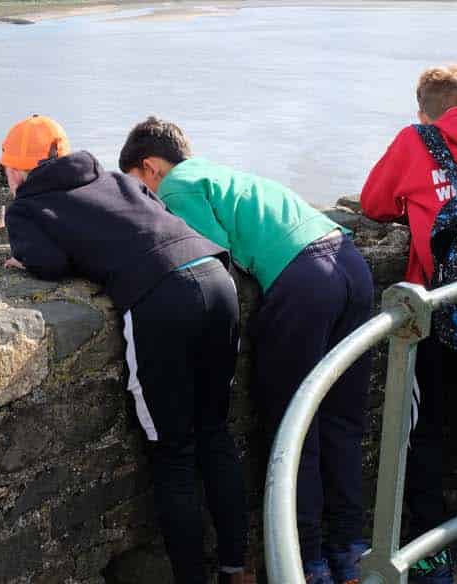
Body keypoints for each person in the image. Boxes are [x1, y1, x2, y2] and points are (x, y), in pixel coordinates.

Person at [0, 115, 253, 584]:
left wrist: (23, 255)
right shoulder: (111, 177)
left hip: (164, 295)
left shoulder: (28, 205)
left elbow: (50, 262)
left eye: (8, 171)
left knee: (173, 451)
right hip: (217, 277)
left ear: (17, 171)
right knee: (214, 433)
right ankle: (236, 568)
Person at [120, 117, 373, 584]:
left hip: (302, 282)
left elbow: (203, 262)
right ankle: (352, 550)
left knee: (295, 425)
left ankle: (309, 561)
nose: (147, 202)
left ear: (151, 167)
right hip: (350, 264)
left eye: (140, 188)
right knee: (343, 420)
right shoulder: (222, 175)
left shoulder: (176, 188)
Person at [359, 65, 457, 584]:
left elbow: (373, 204)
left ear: (422, 107)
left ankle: (431, 556)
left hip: (438, 308)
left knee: (422, 431)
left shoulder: (415, 139)